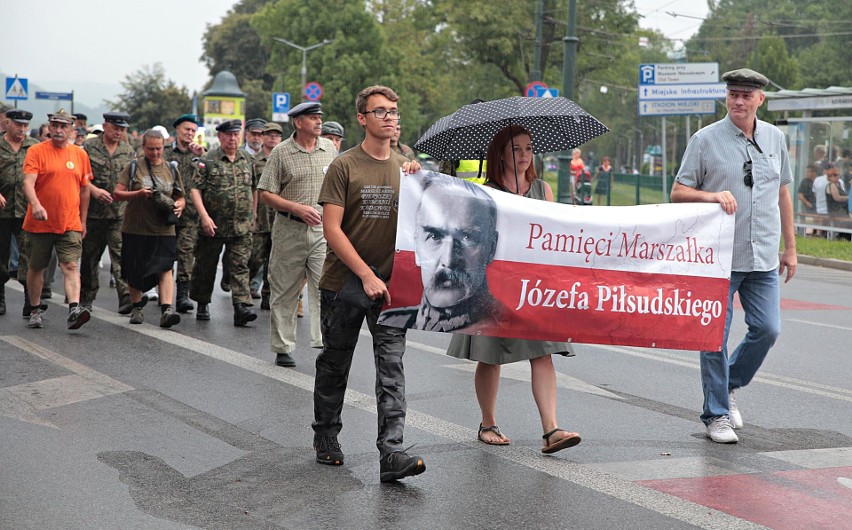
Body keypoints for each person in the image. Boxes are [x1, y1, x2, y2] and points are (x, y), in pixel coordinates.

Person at [671, 68, 796, 444]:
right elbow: (678, 191)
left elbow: (783, 194)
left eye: (746, 95)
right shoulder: (705, 140)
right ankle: (717, 414)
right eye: (733, 94)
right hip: (717, 257)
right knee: (713, 338)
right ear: (726, 98)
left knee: (768, 329)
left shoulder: (775, 139)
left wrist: (790, 248)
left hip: (762, 255)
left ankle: (728, 386)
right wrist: (711, 196)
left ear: (761, 99)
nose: (739, 101)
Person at [443, 125, 581, 453]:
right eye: (516, 149)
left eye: (529, 149)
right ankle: (487, 422)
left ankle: (551, 430)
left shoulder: (542, 189)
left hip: (534, 285)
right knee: (488, 355)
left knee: (543, 351)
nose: (523, 156)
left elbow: (553, 234)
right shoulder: (485, 192)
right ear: (500, 154)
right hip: (493, 284)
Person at [313, 85, 425, 482]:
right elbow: (332, 229)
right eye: (381, 112)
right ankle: (326, 437)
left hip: (391, 287)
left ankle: (392, 454)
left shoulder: (407, 167)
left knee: (391, 368)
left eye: (394, 111)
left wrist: (417, 177)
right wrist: (365, 274)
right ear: (363, 118)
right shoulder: (344, 165)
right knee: (335, 362)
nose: (390, 117)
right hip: (345, 282)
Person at [257, 102, 336, 367]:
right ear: (298, 122)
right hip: (290, 229)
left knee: (325, 286)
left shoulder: (330, 149)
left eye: (320, 118)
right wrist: (296, 208)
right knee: (284, 289)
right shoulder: (281, 153)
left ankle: (325, 342)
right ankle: (282, 347)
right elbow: (265, 193)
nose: (319, 122)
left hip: (322, 231)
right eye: (313, 118)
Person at [378, 174, 504, 332]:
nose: (448, 259)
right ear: (416, 245)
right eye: (435, 236)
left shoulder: (508, 325)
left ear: (491, 247)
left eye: (466, 237)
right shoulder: (392, 320)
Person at [21, 109, 93, 330]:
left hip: (69, 221)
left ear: (72, 130)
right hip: (40, 222)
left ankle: (74, 309)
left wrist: (83, 221)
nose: (59, 130)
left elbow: (84, 190)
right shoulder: (36, 151)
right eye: (55, 126)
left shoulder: (79, 154)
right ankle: (35, 308)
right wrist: (36, 205)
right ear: (49, 127)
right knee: (37, 267)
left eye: (64, 126)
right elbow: (28, 182)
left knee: (71, 265)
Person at [113, 129, 185, 327]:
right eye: (151, 149)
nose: (155, 153)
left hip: (163, 229)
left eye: (159, 149)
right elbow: (117, 193)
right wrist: (137, 193)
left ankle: (167, 310)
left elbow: (179, 195)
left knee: (166, 267)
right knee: (134, 270)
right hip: (136, 227)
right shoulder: (134, 167)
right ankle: (136, 307)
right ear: (143, 148)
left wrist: (180, 204)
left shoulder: (171, 168)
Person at [190, 119, 257, 326]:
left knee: (240, 265)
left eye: (236, 134)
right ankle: (202, 302)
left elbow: (254, 188)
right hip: (214, 224)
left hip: (241, 225)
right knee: (205, 265)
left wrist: (253, 214)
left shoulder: (246, 158)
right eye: (228, 135)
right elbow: (195, 189)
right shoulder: (208, 159)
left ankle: (241, 307)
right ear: (220, 137)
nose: (232, 138)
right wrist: (204, 216)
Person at [80, 112, 135, 314]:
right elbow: (80, 177)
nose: (118, 133)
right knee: (89, 258)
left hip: (118, 215)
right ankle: (86, 298)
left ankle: (125, 297)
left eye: (122, 129)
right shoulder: (89, 147)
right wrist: (94, 191)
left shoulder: (128, 151)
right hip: (93, 214)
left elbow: (133, 179)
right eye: (115, 128)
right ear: (105, 126)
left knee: (120, 256)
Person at [165, 114, 206, 313]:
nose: (189, 133)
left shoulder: (198, 155)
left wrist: (203, 154)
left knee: (186, 253)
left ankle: (182, 294)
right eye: (186, 129)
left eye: (193, 131)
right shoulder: (164, 153)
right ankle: (163, 292)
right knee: (165, 254)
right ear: (177, 130)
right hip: (166, 212)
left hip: (190, 215)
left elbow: (210, 174)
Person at [0, 109, 39, 316]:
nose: (22, 129)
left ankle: (29, 302)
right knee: (1, 258)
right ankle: (0, 299)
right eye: (18, 125)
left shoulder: (34, 147)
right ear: (8, 124)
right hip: (3, 211)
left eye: (25, 126)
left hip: (27, 210)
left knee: (28, 257)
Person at [248, 122, 283, 310]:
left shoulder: (284, 159)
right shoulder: (254, 161)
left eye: (277, 135)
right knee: (255, 257)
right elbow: (250, 189)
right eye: (269, 134)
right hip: (260, 216)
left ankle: (267, 296)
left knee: (274, 261)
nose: (273, 138)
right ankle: (246, 285)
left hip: (278, 217)